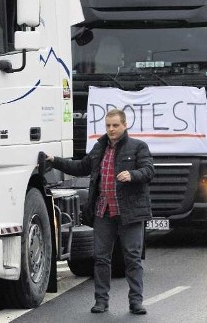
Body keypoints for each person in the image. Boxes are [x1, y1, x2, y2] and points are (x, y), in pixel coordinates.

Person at [42, 108, 155, 315]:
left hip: (130, 213)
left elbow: (149, 171)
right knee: (101, 258)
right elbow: (80, 167)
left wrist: (132, 174)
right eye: (108, 126)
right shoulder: (99, 148)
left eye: (115, 125)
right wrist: (54, 161)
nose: (111, 129)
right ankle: (101, 301)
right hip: (103, 212)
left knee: (132, 258)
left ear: (124, 125)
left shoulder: (138, 146)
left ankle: (136, 302)